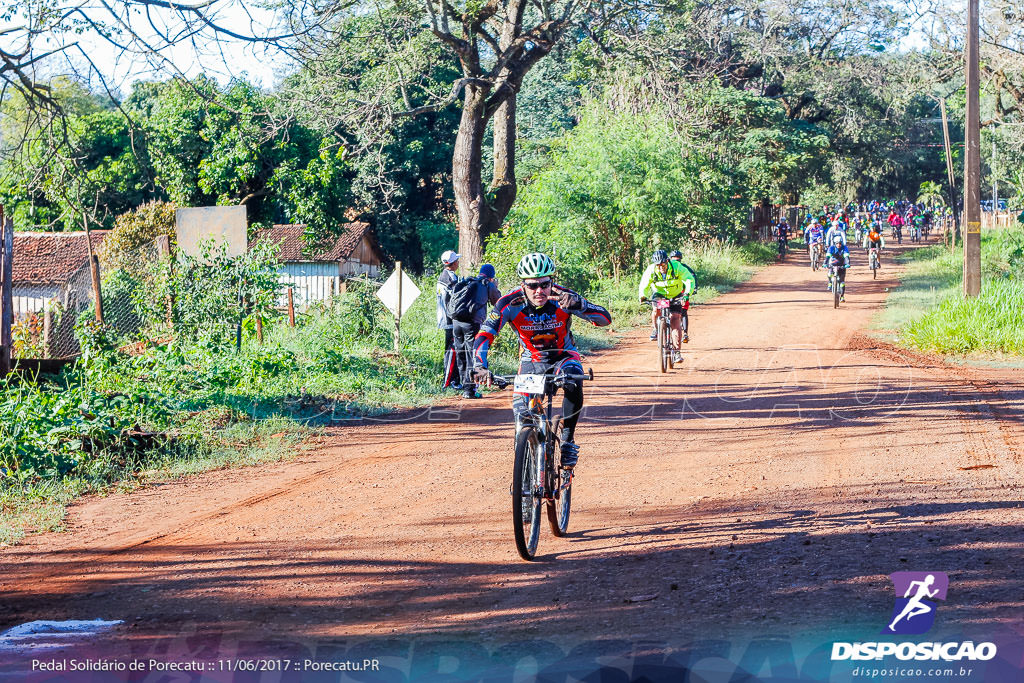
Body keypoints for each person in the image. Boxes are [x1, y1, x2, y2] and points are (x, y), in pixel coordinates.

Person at [473, 253, 612, 470]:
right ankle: (525, 465)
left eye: (545, 284)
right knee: (522, 417)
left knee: (573, 380)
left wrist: (581, 305)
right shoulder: (509, 304)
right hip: (532, 361)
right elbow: (484, 335)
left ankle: (568, 440)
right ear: (522, 285)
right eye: (532, 285)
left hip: (563, 356)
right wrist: (480, 366)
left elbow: (605, 320)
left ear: (552, 282)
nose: (539, 291)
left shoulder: (565, 297)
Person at [451, 264, 501, 399]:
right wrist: (494, 286)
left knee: (461, 354)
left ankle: (464, 386)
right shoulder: (487, 284)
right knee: (472, 354)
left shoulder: (469, 280)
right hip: (472, 323)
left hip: (456, 322)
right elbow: (499, 302)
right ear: (491, 276)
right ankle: (470, 390)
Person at [638, 250, 692, 363]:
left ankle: (677, 352)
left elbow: (688, 279)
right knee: (656, 308)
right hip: (660, 295)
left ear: (667, 261)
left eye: (662, 264)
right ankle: (656, 329)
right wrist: (642, 295)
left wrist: (687, 294)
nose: (661, 267)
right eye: (658, 265)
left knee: (675, 318)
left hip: (675, 295)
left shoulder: (677, 267)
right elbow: (644, 283)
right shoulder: (651, 270)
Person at [436, 250, 461, 390]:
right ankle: (448, 381)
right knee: (451, 351)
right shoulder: (449, 280)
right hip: (450, 320)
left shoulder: (446, 276)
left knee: (454, 349)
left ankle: (454, 380)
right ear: (453, 263)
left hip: (447, 319)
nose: (458, 262)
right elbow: (451, 302)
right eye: (457, 260)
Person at [668, 250, 697, 343]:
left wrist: (693, 289)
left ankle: (685, 333)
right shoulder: (667, 267)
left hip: (682, 292)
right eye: (674, 259)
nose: (676, 261)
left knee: (683, 311)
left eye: (678, 260)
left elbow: (692, 278)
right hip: (669, 292)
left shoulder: (684, 268)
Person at [825, 234, 851, 301]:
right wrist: (825, 263)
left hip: (842, 264)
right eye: (837, 243)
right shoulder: (831, 248)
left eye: (840, 243)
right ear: (834, 243)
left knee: (842, 282)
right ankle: (830, 282)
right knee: (829, 274)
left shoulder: (844, 248)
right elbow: (828, 257)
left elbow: (846, 257)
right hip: (833, 263)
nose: (838, 245)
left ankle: (842, 297)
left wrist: (847, 264)